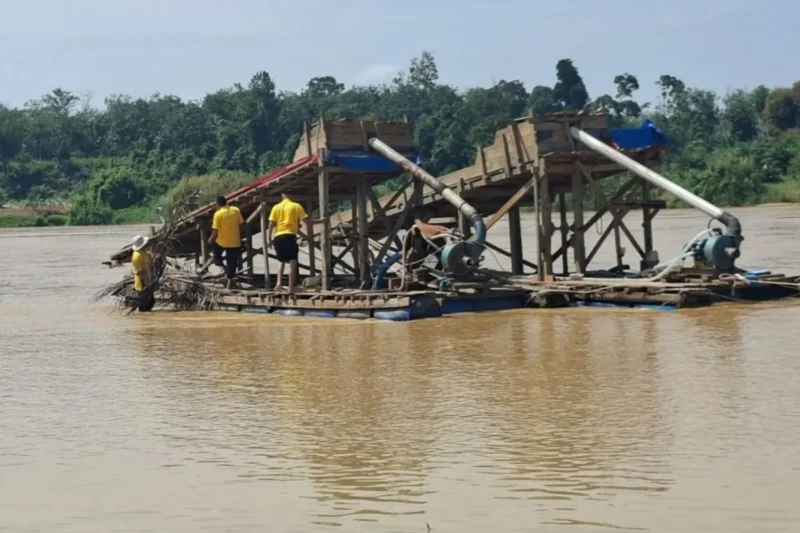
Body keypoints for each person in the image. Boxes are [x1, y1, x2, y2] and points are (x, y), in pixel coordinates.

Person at [267, 192, 325, 293]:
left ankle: (278, 283)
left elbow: (271, 224)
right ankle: (290, 288)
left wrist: (268, 239)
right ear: (291, 196)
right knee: (292, 263)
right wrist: (322, 221)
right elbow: (307, 221)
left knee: (281, 261)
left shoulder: (276, 207)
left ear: (282, 196)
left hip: (278, 236)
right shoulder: (296, 206)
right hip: (289, 236)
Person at [208, 196, 244, 288]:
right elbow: (241, 224)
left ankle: (222, 269)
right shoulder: (235, 210)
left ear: (218, 204)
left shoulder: (218, 214)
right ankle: (229, 284)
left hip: (222, 241)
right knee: (232, 262)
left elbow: (215, 230)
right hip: (235, 241)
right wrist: (237, 233)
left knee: (216, 253)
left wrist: (211, 239)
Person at [130, 234, 155, 312]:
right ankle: (142, 318)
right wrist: (144, 282)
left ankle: (145, 319)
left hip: (147, 280)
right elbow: (139, 271)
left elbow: (150, 263)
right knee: (144, 304)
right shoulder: (136, 255)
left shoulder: (143, 253)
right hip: (142, 281)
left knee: (151, 301)